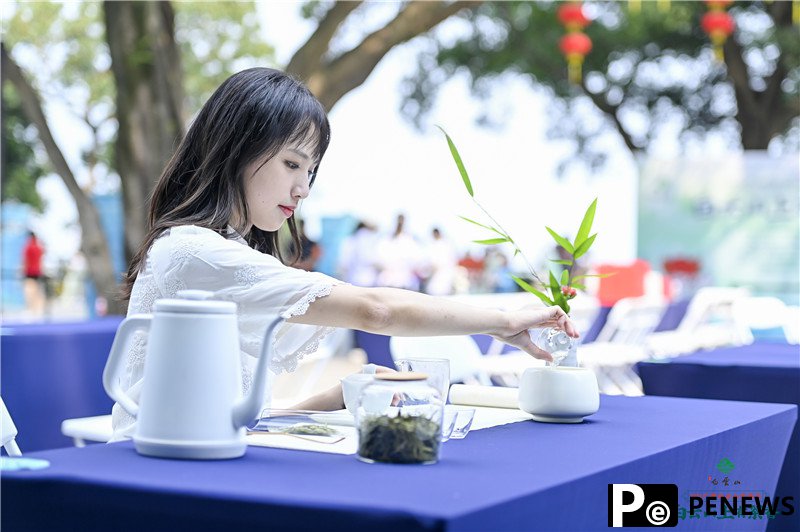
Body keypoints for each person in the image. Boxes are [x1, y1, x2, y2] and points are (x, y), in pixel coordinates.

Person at [113, 68, 578, 440]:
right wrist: (502, 320)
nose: (303, 189)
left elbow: (233, 420)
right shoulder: (197, 251)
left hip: (195, 460)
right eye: (292, 163)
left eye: (310, 171)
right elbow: (376, 310)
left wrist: (337, 395)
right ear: (235, 149)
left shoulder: (220, 251)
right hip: (153, 477)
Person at [21, 231, 46, 317]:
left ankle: (32, 310)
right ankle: (38, 311)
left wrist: (22, 271)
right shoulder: (39, 247)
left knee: (30, 291)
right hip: (38, 272)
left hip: (29, 272)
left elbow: (25, 261)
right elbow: (42, 260)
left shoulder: (28, 247)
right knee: (38, 292)